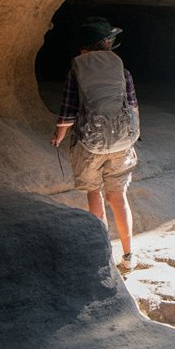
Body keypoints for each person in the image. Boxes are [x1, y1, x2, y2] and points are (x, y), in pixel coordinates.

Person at [50, 16, 139, 275]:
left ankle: (103, 254)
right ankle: (128, 255)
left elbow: (67, 113)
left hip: (91, 145)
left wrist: (58, 136)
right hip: (122, 143)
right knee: (118, 197)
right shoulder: (121, 70)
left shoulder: (76, 70)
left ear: (83, 47)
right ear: (107, 45)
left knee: (94, 194)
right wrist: (132, 136)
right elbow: (132, 107)